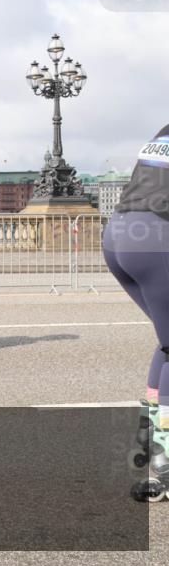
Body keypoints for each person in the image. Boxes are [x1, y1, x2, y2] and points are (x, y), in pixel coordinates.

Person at [102, 124, 169, 450]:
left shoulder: (165, 131)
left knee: (166, 342)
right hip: (157, 234)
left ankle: (154, 434)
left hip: (119, 232)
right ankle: (165, 453)